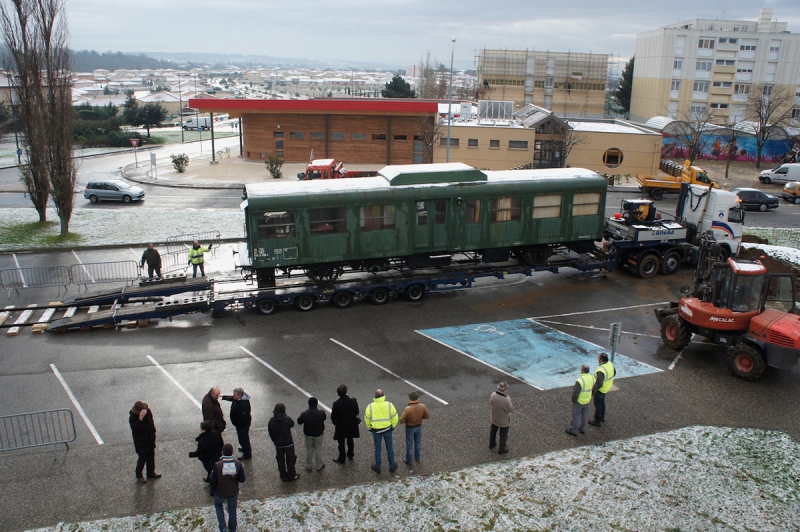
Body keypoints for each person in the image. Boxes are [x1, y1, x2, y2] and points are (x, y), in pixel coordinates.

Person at [210, 443, 245, 532]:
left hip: (220, 493)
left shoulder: (217, 465)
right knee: (232, 509)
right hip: (233, 492)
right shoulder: (238, 464)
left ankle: (223, 528)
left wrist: (213, 490)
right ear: (232, 452)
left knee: (218, 506)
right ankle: (232, 528)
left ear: (222, 453)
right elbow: (242, 479)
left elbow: (213, 480)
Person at [364, 389, 398, 473]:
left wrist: (369, 428)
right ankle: (392, 465)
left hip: (376, 431)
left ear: (375, 396)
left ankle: (378, 466)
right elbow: (395, 417)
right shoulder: (389, 405)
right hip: (387, 429)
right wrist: (393, 426)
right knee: (389, 447)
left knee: (378, 448)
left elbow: (367, 418)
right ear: (383, 395)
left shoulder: (370, 406)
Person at [129, 401, 161, 483]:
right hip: (141, 441)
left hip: (149, 438)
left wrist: (153, 430)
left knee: (151, 456)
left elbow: (151, 421)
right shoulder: (133, 417)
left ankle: (150, 473)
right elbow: (135, 429)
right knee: (142, 458)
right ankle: (139, 475)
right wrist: (140, 419)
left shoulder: (148, 411)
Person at [267, 403, 299, 481]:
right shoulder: (287, 419)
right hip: (288, 443)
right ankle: (291, 475)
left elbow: (270, 432)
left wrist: (274, 440)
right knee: (290, 460)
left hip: (278, 444)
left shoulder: (271, 421)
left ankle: (283, 476)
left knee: (280, 461)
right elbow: (292, 424)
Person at [399, 391, 431, 466]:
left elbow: (401, 420)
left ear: (410, 399)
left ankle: (409, 460)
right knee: (418, 442)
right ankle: (417, 456)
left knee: (409, 443)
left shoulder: (407, 409)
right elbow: (427, 416)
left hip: (410, 427)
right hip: (419, 426)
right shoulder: (422, 406)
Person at [330, 384, 360, 464]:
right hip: (351, 424)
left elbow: (333, 416)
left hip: (341, 426)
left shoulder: (336, 403)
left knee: (341, 442)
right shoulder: (352, 400)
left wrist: (335, 423)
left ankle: (342, 458)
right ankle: (350, 454)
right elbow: (357, 411)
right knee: (350, 440)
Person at [297, 396, 327, 472]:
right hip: (318, 434)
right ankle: (319, 465)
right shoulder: (321, 413)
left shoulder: (305, 414)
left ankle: (309, 465)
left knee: (309, 450)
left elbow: (299, 422)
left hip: (308, 434)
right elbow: (324, 418)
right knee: (318, 449)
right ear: (317, 404)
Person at [221, 388, 251, 460]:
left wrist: (238, 425)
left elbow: (244, 418)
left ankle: (247, 453)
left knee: (243, 438)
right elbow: (232, 398)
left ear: (240, 395)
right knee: (243, 438)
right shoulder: (239, 399)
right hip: (240, 425)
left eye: (234, 394)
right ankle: (245, 448)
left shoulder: (243, 404)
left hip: (242, 425)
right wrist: (223, 397)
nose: (233, 396)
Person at [567, 365, 595, 436]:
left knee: (576, 416)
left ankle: (574, 430)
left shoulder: (580, 380)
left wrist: (574, 400)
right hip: (587, 400)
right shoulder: (592, 378)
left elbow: (575, 392)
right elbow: (595, 388)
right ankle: (582, 428)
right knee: (584, 414)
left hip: (579, 401)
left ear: (582, 370)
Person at [589, 353, 615, 427]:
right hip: (607, 387)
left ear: (602, 360)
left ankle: (597, 420)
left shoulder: (602, 370)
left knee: (597, 405)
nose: (598, 359)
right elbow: (614, 373)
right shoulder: (610, 364)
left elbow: (599, 384)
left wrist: (593, 391)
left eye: (599, 358)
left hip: (601, 389)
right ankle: (602, 417)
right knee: (602, 403)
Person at [489, 382, 513, 454]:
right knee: (503, 432)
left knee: (493, 430)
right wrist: (509, 400)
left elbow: (490, 403)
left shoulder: (493, 395)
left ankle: (492, 444)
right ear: (505, 389)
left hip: (495, 416)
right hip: (503, 419)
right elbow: (510, 409)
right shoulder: (506, 399)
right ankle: (502, 448)